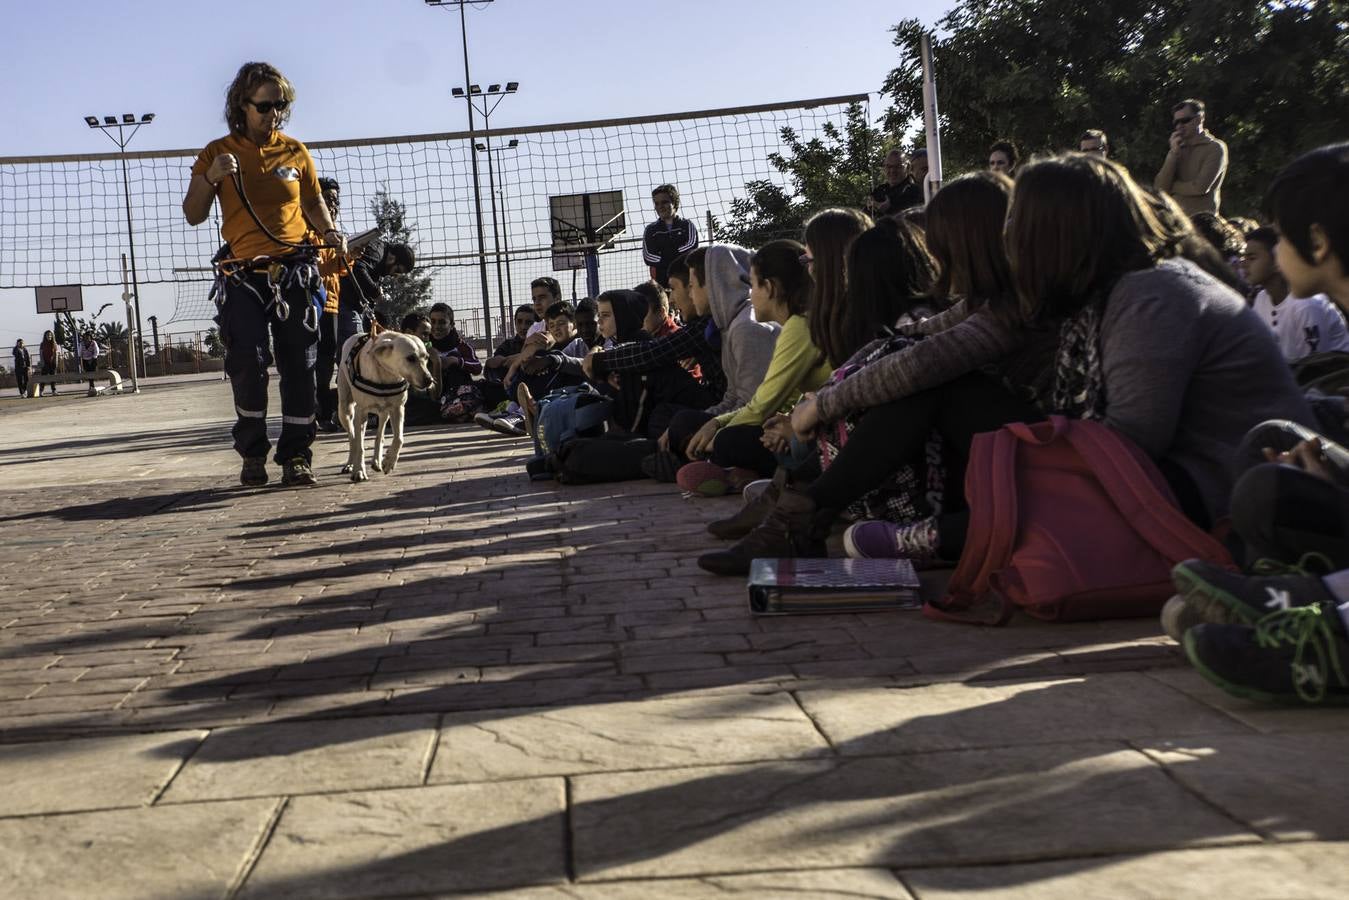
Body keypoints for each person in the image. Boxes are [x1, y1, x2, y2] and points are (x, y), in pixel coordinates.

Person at [182, 61, 345, 487]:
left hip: (294, 270)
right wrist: (209, 179)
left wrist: (329, 231)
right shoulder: (217, 152)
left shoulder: (295, 151)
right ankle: (252, 453)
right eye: (265, 106)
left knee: (300, 364)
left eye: (281, 105)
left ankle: (296, 455)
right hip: (243, 276)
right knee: (247, 362)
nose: (274, 114)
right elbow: (193, 214)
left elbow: (312, 202)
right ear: (243, 104)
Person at [1244, 225, 1349, 360]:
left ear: (1277, 261)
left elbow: (1313, 367)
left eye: (1252, 258)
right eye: (1244, 257)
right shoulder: (1261, 299)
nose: (1244, 264)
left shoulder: (1307, 305)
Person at [336, 239, 417, 349]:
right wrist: (375, 292)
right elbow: (358, 268)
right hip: (346, 302)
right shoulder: (377, 252)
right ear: (392, 258)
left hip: (352, 304)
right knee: (355, 347)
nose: (394, 275)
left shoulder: (379, 256)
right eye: (397, 270)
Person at [1154, 98, 1229, 216]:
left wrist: (1172, 186)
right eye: (1176, 122)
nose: (1179, 126)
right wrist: (1173, 154)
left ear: (1199, 119)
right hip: (1175, 220)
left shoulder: (1216, 148)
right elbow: (1159, 188)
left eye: (1185, 120)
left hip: (1203, 223)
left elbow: (1200, 188)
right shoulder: (1177, 148)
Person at [313, 176, 343, 432]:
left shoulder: (334, 234)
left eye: (335, 200)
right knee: (310, 362)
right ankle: (314, 412)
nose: (333, 206)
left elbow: (340, 271)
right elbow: (317, 265)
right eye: (328, 200)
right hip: (311, 303)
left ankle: (323, 412)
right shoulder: (308, 232)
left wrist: (349, 254)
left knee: (326, 361)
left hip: (331, 305)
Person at [642, 184, 699, 288]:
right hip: (662, 284)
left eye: (664, 202)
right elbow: (648, 256)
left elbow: (691, 248)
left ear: (674, 203)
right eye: (657, 203)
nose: (660, 206)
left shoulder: (687, 225)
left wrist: (664, 255)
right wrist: (673, 258)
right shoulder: (651, 230)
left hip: (686, 282)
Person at [866, 148, 923, 216]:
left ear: (908, 167)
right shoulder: (879, 190)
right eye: (889, 166)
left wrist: (889, 209)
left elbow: (913, 218)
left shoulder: (915, 191)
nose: (892, 171)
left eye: (898, 167)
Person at [78, 330, 100, 394]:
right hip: (85, 360)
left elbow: (96, 351)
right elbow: (80, 352)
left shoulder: (93, 343)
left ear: (90, 337)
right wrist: (80, 359)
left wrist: (93, 358)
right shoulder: (82, 344)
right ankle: (91, 386)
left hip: (93, 359)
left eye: (88, 337)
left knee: (92, 372)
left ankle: (91, 386)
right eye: (85, 337)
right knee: (88, 373)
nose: (87, 338)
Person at [38, 331, 57, 396]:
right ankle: (41, 391)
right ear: (45, 336)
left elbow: (55, 354)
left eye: (50, 335)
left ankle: (54, 391)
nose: (49, 336)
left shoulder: (54, 343)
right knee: (44, 377)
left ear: (52, 336)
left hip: (52, 363)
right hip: (45, 363)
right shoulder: (42, 344)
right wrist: (42, 362)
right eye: (47, 335)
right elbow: (41, 353)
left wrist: (55, 362)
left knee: (53, 377)